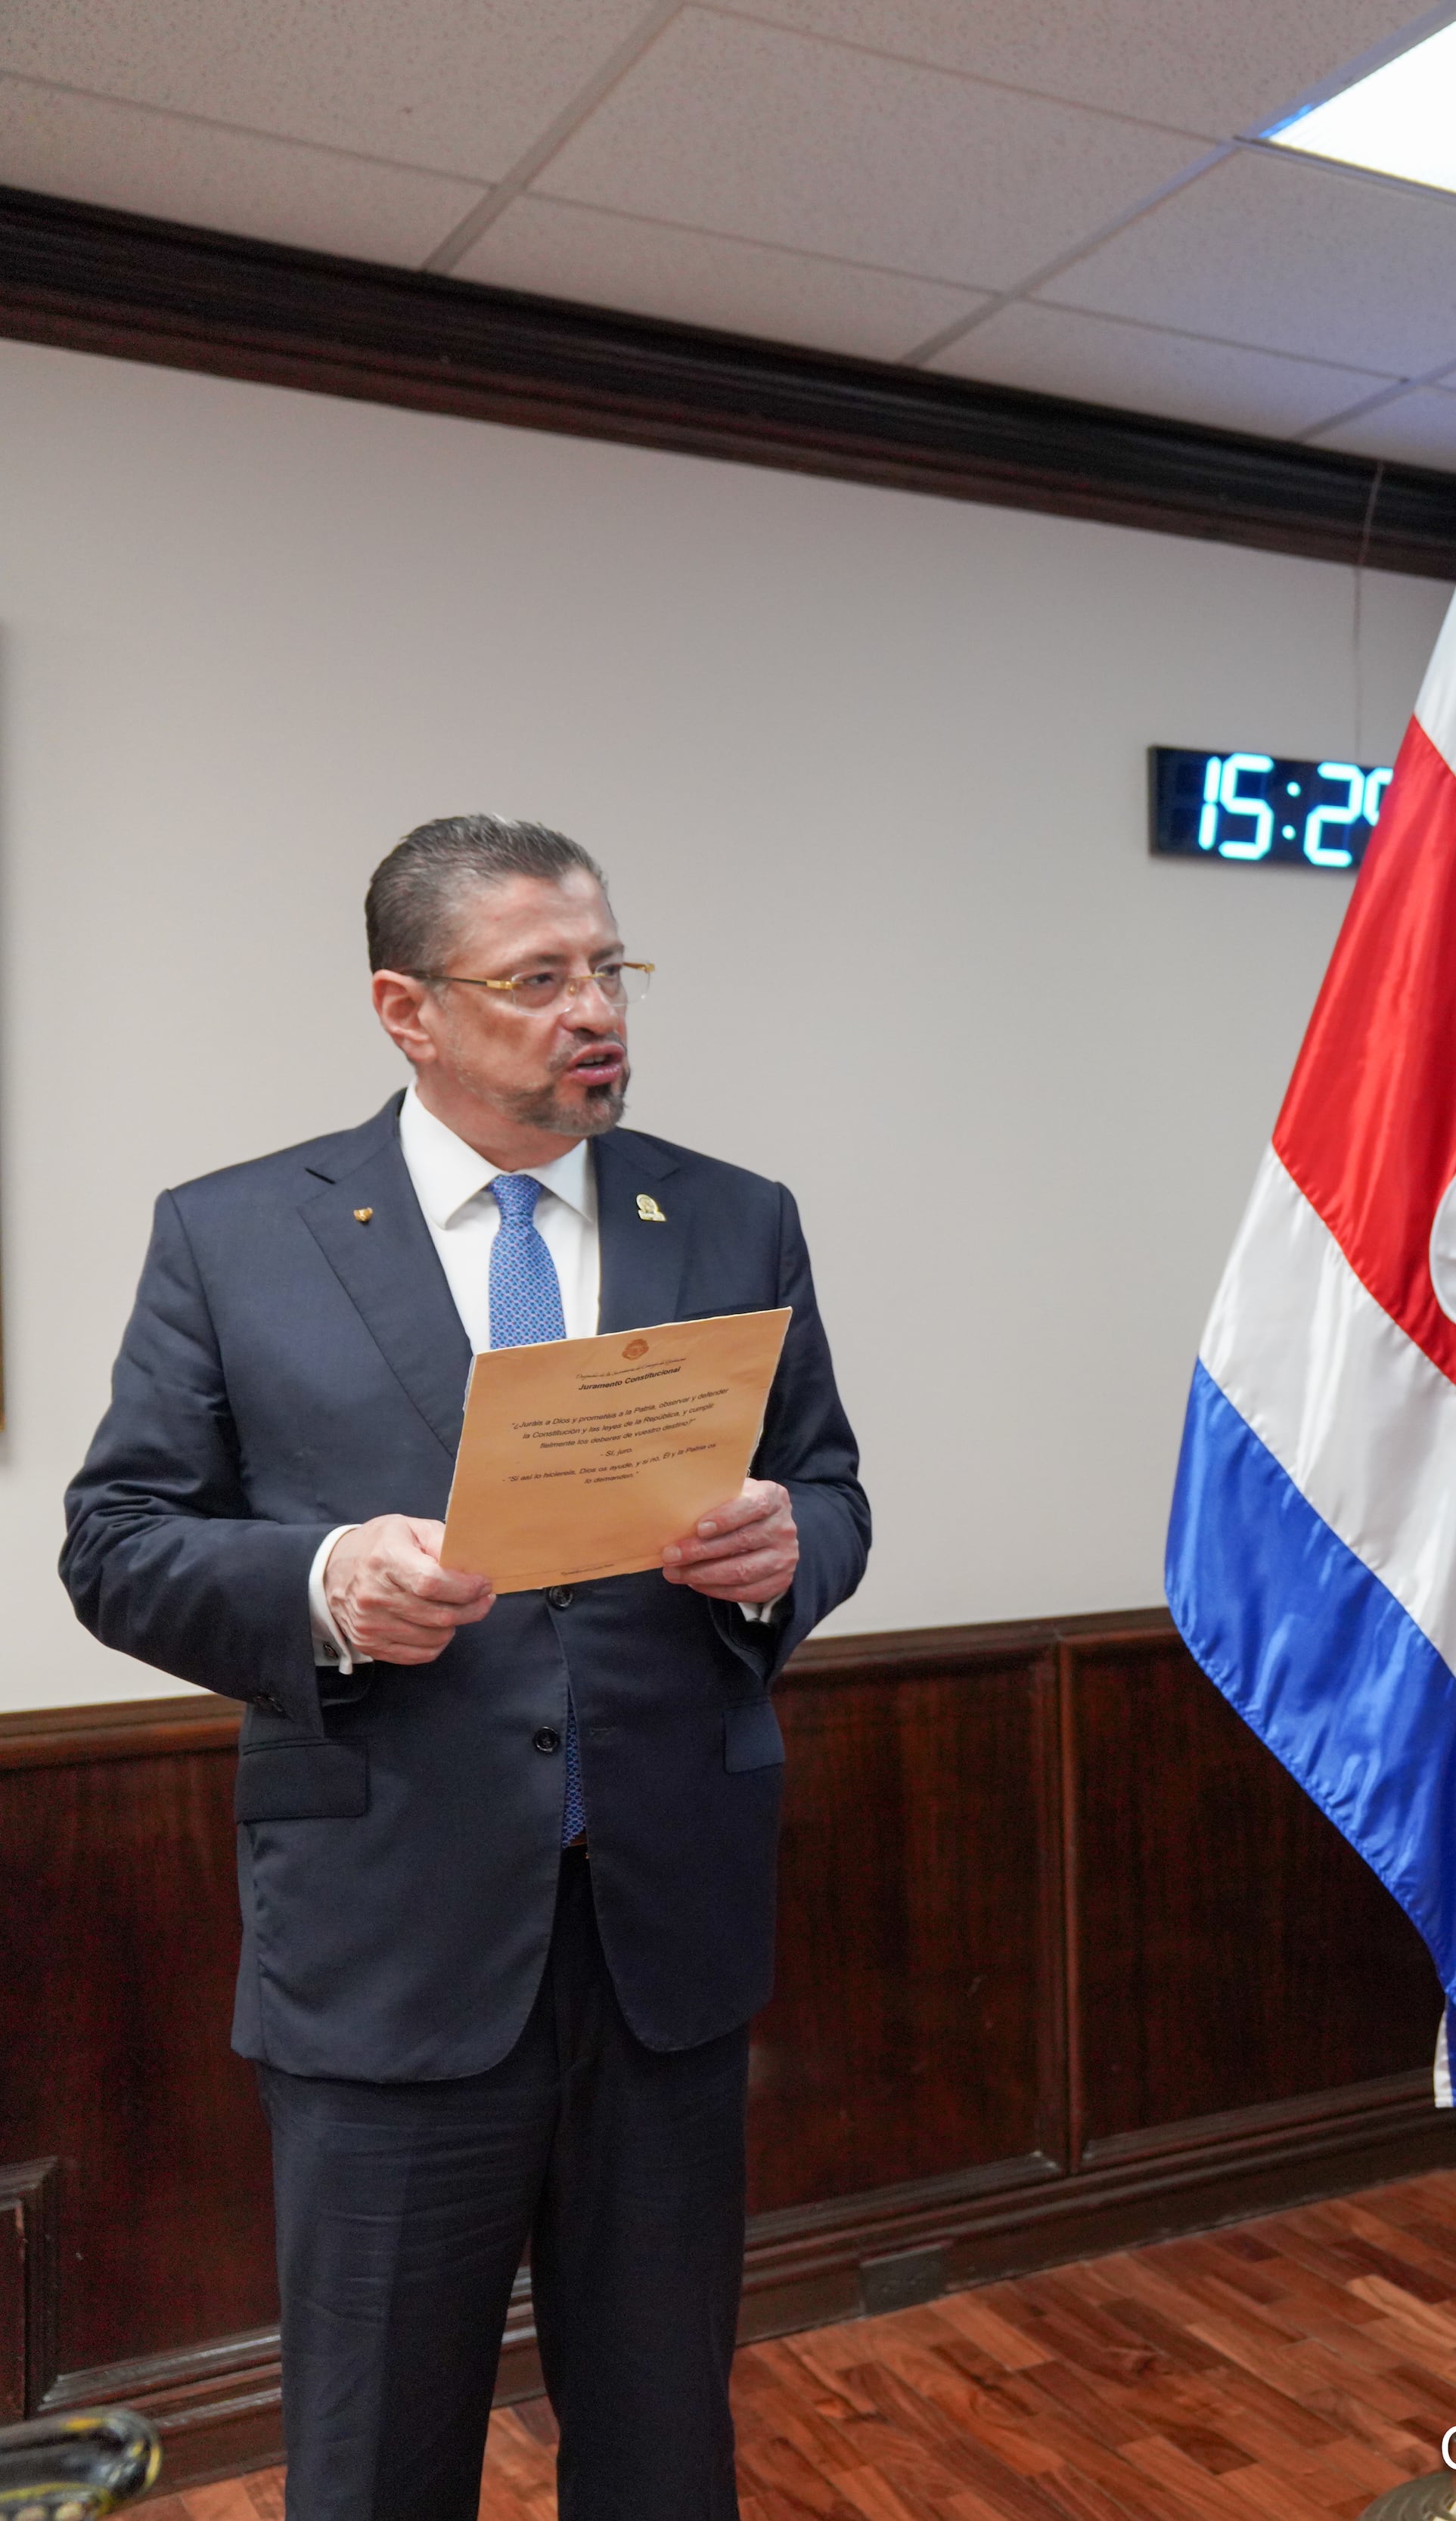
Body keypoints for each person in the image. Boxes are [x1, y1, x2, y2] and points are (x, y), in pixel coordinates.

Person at [61, 815, 868, 2521]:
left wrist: (787, 1549)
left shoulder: (732, 1216)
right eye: (539, 978)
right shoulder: (236, 1233)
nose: (597, 1011)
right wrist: (323, 1580)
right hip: (389, 1941)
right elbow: (116, 1541)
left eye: (610, 968)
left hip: (662, 1941)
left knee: (664, 2449)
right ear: (406, 1008)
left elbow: (831, 1486)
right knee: (377, 2460)